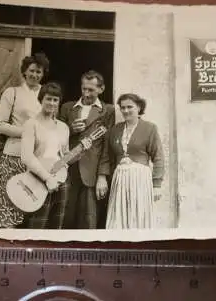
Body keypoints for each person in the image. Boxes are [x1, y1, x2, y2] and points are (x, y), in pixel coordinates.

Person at [19, 82, 92, 229]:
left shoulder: (63, 127)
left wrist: (81, 150)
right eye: (48, 99)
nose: (52, 103)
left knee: (56, 228)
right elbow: (26, 156)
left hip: (61, 181)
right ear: (41, 99)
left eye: (55, 100)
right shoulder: (31, 124)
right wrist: (47, 179)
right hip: (38, 181)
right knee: (37, 227)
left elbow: (65, 157)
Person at [0, 53, 49, 228]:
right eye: (31, 71)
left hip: (37, 159)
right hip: (14, 156)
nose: (35, 75)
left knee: (31, 202)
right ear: (24, 71)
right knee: (9, 201)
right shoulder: (13, 93)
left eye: (39, 72)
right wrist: (27, 132)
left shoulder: (47, 94)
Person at [98, 93, 165, 229]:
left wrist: (156, 184)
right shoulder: (114, 130)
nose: (126, 111)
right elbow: (106, 156)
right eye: (123, 108)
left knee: (138, 216)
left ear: (139, 108)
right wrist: (102, 177)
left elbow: (158, 157)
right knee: (119, 218)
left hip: (140, 179)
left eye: (130, 107)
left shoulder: (149, 128)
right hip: (120, 179)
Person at [59, 70, 116, 229]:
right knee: (65, 216)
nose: (86, 93)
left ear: (101, 89)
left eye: (91, 90)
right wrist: (71, 130)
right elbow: (55, 136)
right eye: (84, 88)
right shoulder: (67, 107)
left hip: (91, 170)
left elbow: (107, 146)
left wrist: (102, 176)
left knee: (88, 219)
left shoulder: (108, 110)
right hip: (68, 168)